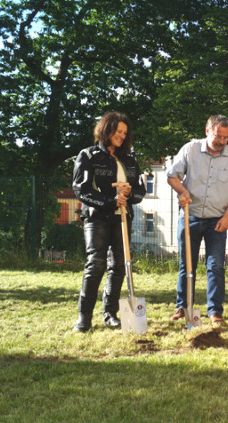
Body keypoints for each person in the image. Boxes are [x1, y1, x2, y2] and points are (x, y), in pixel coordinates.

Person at [71, 112, 146, 332]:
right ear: (107, 129)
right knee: (96, 265)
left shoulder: (130, 159)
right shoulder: (88, 155)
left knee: (120, 266)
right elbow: (81, 190)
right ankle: (84, 317)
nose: (122, 136)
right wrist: (110, 201)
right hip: (97, 218)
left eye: (125, 133)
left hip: (123, 218)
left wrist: (130, 194)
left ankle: (110, 314)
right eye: (118, 131)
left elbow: (140, 191)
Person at [168, 115, 228, 325]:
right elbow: (172, 176)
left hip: (217, 221)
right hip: (189, 217)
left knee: (216, 266)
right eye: (218, 136)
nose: (221, 141)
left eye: (226, 138)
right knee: (187, 264)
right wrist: (183, 191)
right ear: (208, 131)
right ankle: (183, 307)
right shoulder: (190, 150)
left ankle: (215, 311)